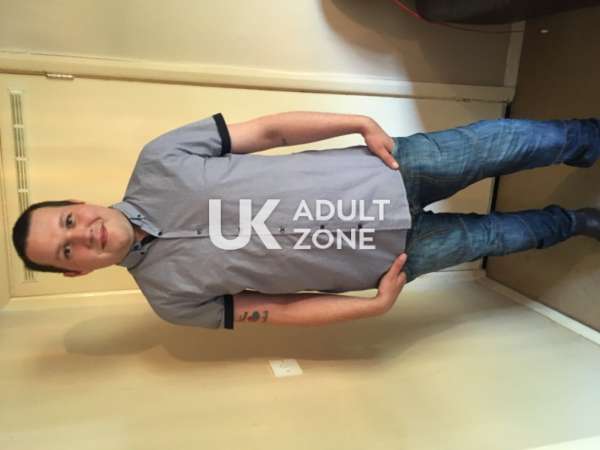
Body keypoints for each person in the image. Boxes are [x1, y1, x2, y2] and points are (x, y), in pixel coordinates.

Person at [11, 112, 600, 330]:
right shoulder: (171, 302)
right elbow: (280, 309)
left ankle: (586, 138)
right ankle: (577, 219)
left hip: (389, 170)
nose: (82, 235)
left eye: (68, 220)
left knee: (505, 142)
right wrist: (370, 308)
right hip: (390, 259)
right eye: (67, 250)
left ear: (77, 203)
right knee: (505, 236)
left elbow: (271, 132)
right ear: (77, 272)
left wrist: (358, 124)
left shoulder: (160, 159)